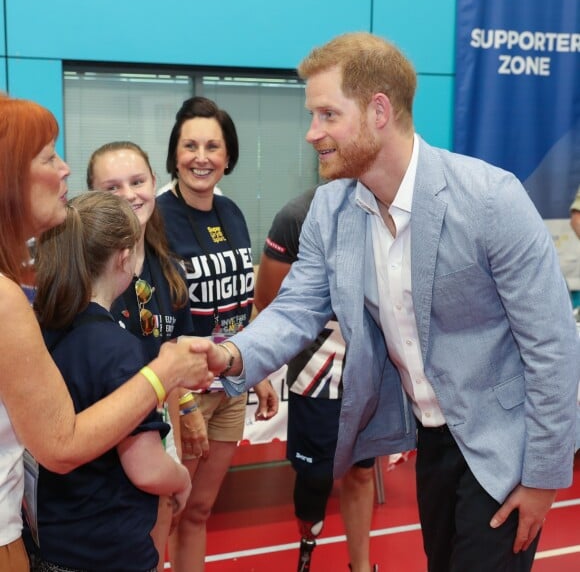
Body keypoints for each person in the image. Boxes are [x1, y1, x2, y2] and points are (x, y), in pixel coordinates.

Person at [200, 32, 580, 572]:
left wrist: (543, 477)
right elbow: (294, 308)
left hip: (505, 445)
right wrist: (230, 356)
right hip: (431, 442)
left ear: (379, 110)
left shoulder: (490, 199)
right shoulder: (332, 211)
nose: (313, 133)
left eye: (328, 114)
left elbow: (553, 349)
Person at [0, 95, 213, 571]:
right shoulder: (11, 300)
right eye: (47, 156)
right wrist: (163, 374)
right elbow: (62, 444)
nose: (63, 168)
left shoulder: (46, 313)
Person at [29, 191, 193, 571]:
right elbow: (146, 467)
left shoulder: (41, 327)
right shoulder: (119, 351)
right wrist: (181, 477)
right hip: (106, 550)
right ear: (124, 257)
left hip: (49, 541)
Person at [156, 96, 279, 572]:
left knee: (200, 510)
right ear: (175, 154)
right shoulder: (157, 218)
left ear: (228, 157)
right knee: (170, 509)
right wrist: (181, 399)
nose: (201, 156)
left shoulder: (231, 214)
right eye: (190, 145)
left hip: (230, 386)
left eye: (212, 146)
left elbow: (242, 303)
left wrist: (257, 369)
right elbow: (156, 317)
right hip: (184, 393)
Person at [87, 141, 207, 570]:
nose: (129, 194)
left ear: (156, 184)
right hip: (100, 441)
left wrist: (187, 407)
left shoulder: (168, 266)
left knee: (159, 541)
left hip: (156, 431)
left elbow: (170, 357)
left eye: (137, 182)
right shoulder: (83, 274)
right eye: (112, 187)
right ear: (93, 196)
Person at [254, 187, 378, 572]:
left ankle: (361, 566)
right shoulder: (297, 214)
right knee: (315, 478)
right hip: (316, 369)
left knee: (362, 470)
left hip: (370, 364)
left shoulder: (389, 205)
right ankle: (307, 550)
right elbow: (267, 300)